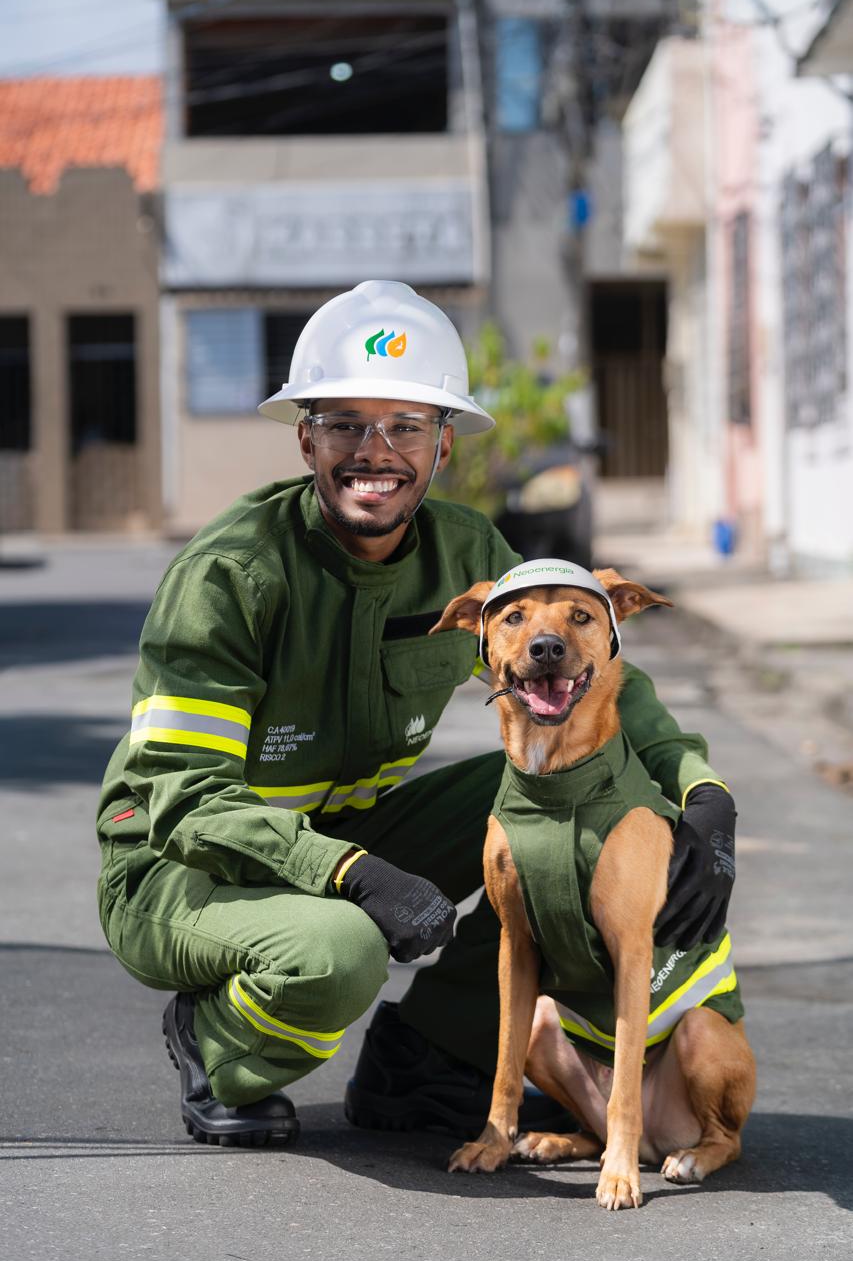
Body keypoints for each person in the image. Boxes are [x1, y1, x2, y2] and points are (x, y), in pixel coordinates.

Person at [96, 280, 737, 1148]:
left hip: (351, 827)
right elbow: (183, 795)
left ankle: (428, 1055)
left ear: (441, 448)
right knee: (337, 951)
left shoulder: (467, 552)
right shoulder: (231, 576)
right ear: (305, 439)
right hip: (181, 865)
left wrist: (699, 794)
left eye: (405, 426)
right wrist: (356, 875)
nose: (375, 451)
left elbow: (600, 664)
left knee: (579, 816)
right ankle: (221, 1045)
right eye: (346, 425)